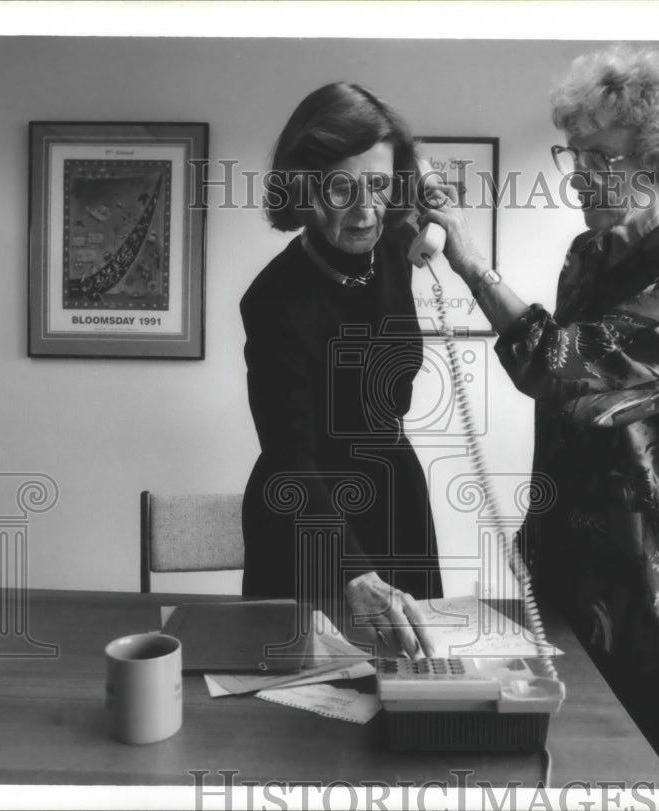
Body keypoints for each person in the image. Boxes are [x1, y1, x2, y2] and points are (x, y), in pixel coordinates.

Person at [420, 45, 659, 788]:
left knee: (657, 763)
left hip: (656, 570)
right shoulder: (586, 256)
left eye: (600, 154)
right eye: (574, 153)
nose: (578, 172)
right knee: (566, 755)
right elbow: (550, 391)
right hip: (567, 555)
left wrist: (475, 266)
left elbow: (581, 376)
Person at [240, 82, 440, 659]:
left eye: (379, 184)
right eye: (340, 187)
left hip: (395, 495)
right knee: (306, 702)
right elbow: (290, 454)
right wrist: (352, 572)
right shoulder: (273, 299)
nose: (365, 209)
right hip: (308, 514)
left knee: (416, 674)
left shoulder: (402, 245)